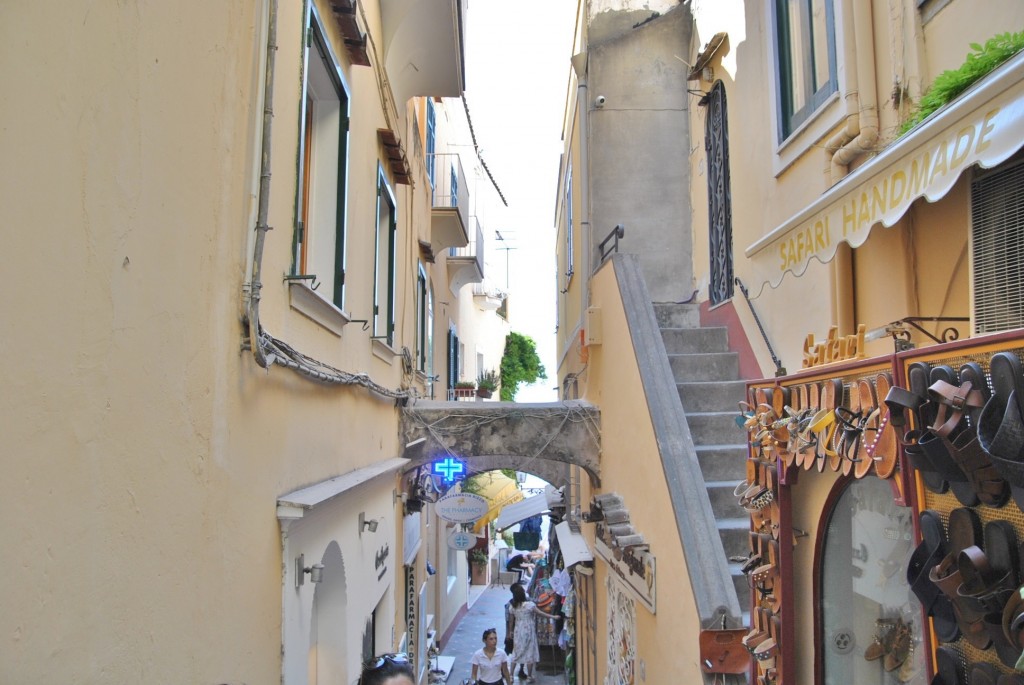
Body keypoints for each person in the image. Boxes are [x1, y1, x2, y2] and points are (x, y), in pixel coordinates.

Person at [507, 582, 558, 682]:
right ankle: (529, 677)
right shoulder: (530, 605)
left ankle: (511, 675)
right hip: (529, 631)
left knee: (516, 653)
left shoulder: (512, 606)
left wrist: (510, 632)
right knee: (529, 653)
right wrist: (553, 617)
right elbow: (541, 614)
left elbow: (511, 621)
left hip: (518, 631)